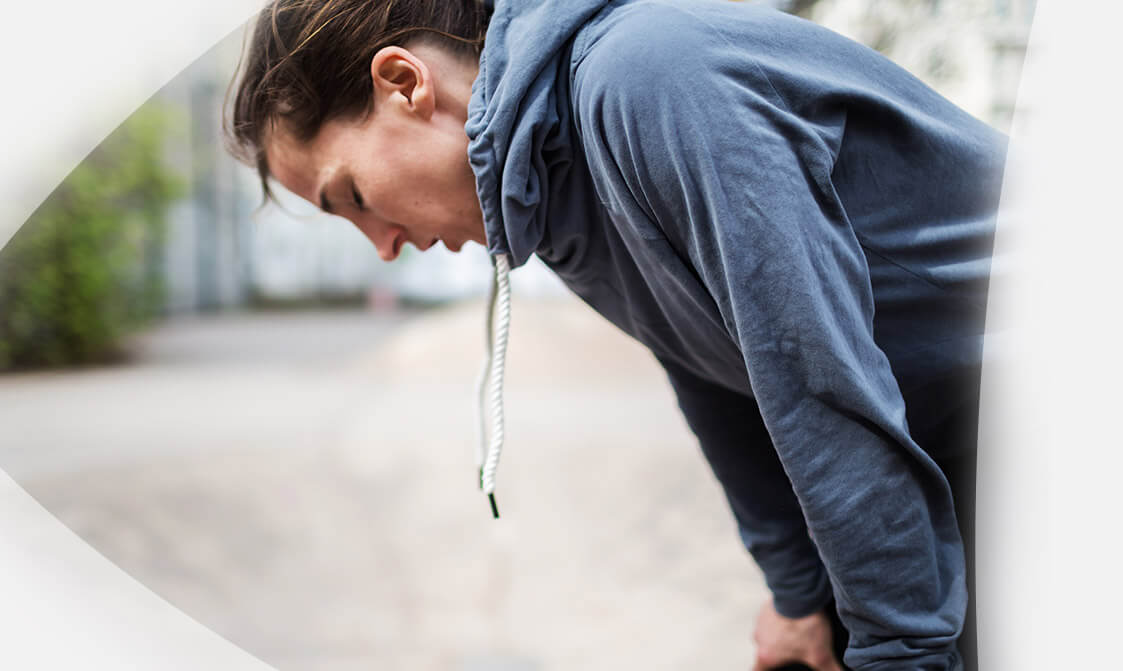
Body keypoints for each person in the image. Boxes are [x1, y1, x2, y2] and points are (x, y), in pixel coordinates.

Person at [226, 0, 1002, 669]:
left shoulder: (650, 79)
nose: (384, 246)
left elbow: (818, 385)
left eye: (352, 195)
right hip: (947, 436)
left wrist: (901, 653)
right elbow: (715, 371)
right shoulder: (546, 187)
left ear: (403, 84)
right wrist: (797, 593)